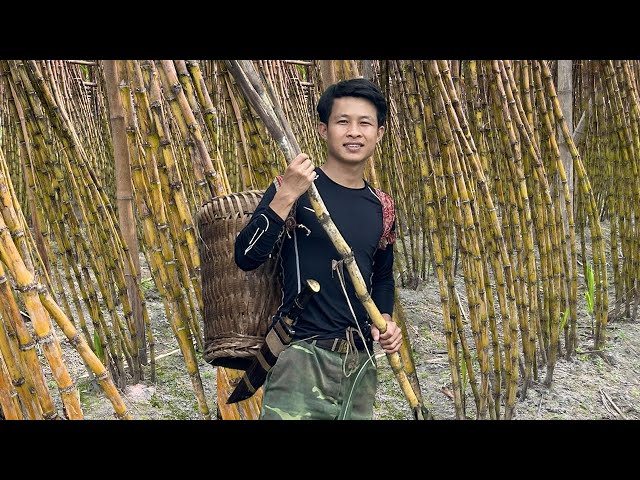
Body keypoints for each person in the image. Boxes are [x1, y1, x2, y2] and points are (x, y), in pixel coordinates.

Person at [234, 77, 402, 420]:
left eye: (365, 123)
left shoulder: (380, 205)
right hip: (301, 357)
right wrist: (285, 196)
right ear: (323, 130)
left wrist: (385, 320)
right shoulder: (296, 189)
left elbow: (382, 278)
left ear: (379, 134)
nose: (354, 132)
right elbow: (246, 257)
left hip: (360, 363)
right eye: (343, 122)